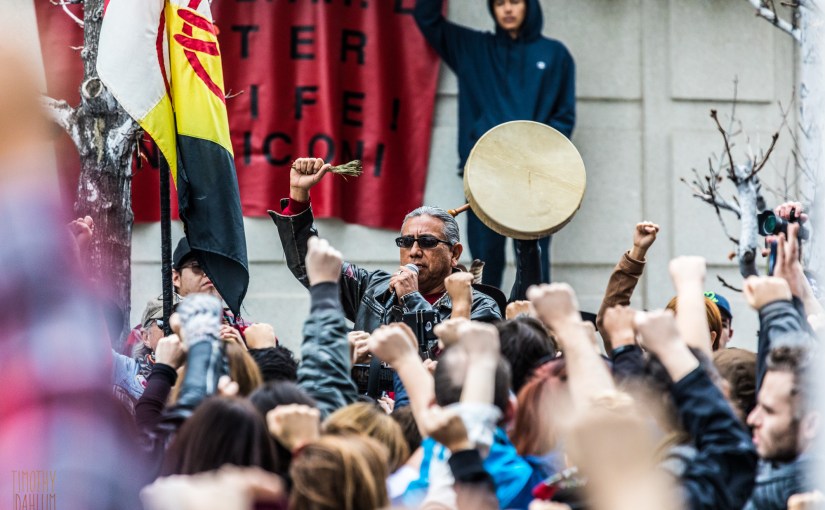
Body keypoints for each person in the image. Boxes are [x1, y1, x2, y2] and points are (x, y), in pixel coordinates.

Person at [414, 0, 576, 289]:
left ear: (529, 6)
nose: (508, 9)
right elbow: (427, 19)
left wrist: (533, 151)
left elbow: (564, 119)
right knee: (485, 261)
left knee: (534, 260)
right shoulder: (473, 48)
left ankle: (536, 330)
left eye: (515, 1)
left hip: (533, 178)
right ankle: (485, 326)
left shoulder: (555, 55)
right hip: (483, 176)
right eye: (500, 3)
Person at [269, 157, 502, 333]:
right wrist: (299, 195)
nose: (414, 251)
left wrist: (412, 298)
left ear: (455, 253)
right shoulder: (373, 288)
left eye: (428, 242)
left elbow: (450, 367)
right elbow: (311, 266)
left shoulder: (480, 307)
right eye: (406, 241)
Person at [744, 346, 818, 510]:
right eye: (757, 406)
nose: (752, 419)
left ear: (811, 424)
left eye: (769, 411)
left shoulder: (768, 496)